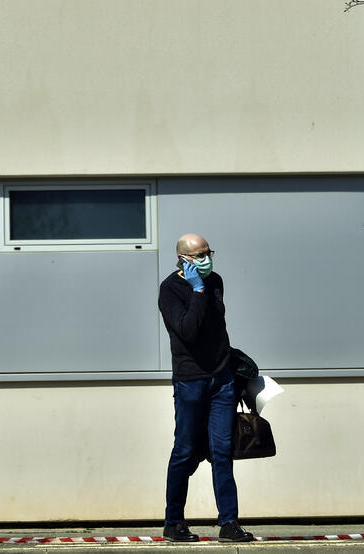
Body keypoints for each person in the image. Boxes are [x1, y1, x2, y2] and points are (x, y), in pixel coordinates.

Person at [157, 233, 253, 543]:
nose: (207, 259)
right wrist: (197, 290)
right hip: (190, 380)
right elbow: (188, 330)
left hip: (221, 380)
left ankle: (229, 522)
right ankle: (173, 522)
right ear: (183, 260)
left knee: (222, 451)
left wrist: (231, 367)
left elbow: (217, 327)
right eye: (199, 255)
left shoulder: (217, 282)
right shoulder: (170, 290)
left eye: (209, 253)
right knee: (185, 451)